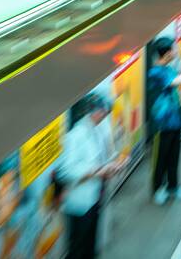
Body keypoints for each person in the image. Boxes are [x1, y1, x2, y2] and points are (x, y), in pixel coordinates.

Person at [56, 94, 119, 258]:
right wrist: (95, 171)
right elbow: (65, 171)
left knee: (90, 246)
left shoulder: (95, 130)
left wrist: (111, 167)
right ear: (93, 112)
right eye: (103, 112)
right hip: (80, 204)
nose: (105, 115)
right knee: (78, 248)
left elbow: (98, 161)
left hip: (94, 198)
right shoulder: (76, 136)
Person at [147, 37, 181, 205]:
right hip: (162, 124)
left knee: (174, 156)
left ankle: (173, 186)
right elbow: (179, 80)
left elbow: (179, 77)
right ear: (166, 53)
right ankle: (157, 189)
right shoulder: (155, 73)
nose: (175, 52)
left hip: (175, 121)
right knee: (161, 158)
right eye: (173, 50)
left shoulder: (167, 68)